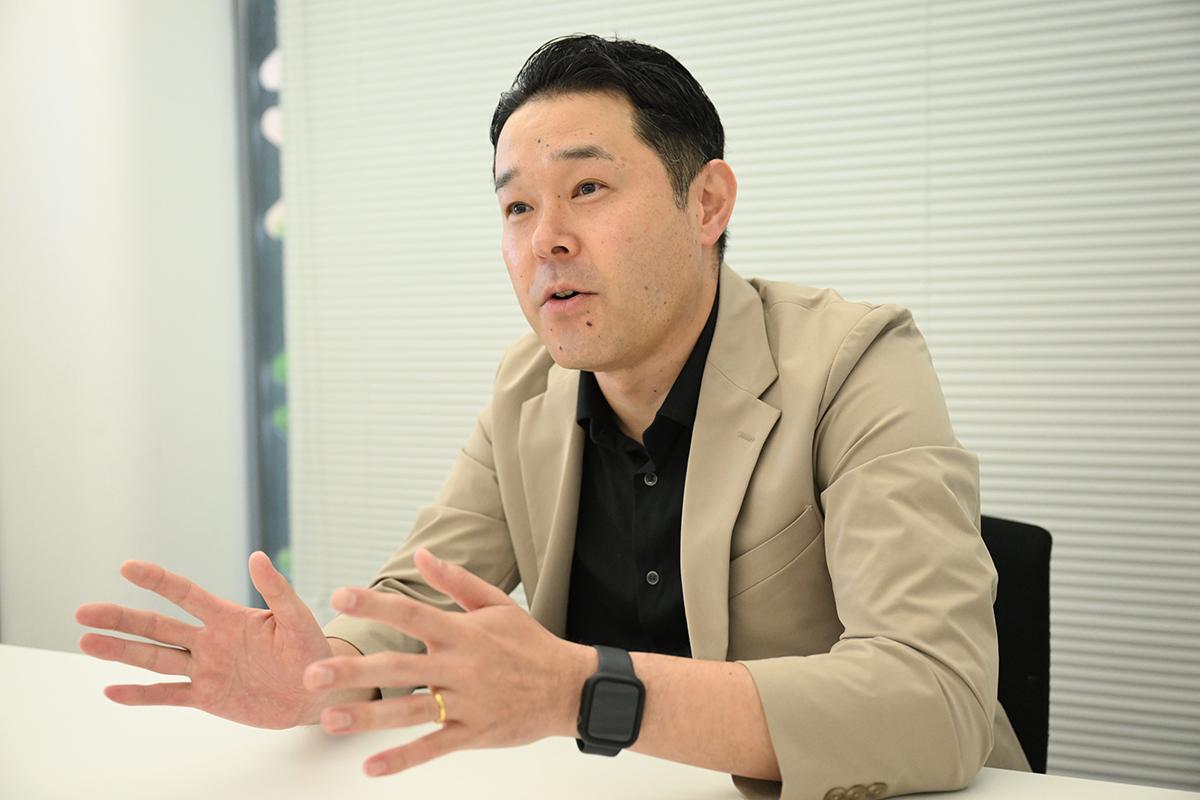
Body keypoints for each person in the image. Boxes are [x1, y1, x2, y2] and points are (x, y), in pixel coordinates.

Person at [76, 34, 1031, 800]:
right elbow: (421, 599)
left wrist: (585, 693)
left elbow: (935, 697)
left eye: (586, 189)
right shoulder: (527, 386)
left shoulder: (856, 360)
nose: (547, 242)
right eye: (517, 208)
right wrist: (323, 668)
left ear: (707, 202)